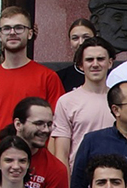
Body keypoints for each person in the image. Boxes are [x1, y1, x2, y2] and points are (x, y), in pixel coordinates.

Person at [0, 5, 65, 181]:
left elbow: (54, 129)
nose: (12, 33)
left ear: (30, 33)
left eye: (19, 28)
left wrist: (49, 168)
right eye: (6, 28)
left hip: (32, 166)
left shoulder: (48, 77)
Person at [50, 37, 116, 166]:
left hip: (116, 174)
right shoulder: (66, 101)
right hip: (79, 175)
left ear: (110, 62)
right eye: (89, 60)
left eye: (100, 59)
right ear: (81, 65)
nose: (95, 64)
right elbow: (61, 154)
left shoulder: (120, 100)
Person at [13, 96, 70, 188]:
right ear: (18, 124)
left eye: (49, 124)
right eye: (38, 123)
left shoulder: (56, 169)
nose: (46, 130)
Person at [54, 17, 98, 93]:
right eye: (75, 38)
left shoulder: (108, 74)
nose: (81, 42)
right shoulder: (60, 77)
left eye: (86, 37)